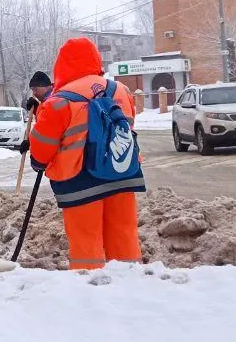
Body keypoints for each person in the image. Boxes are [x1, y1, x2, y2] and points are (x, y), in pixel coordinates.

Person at [28, 38, 145, 270]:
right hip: (122, 172)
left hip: (80, 182)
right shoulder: (120, 91)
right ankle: (131, 284)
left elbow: (42, 145)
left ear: (61, 65)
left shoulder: (59, 101)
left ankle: (88, 287)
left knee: (86, 242)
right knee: (124, 235)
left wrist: (37, 162)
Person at [17, 71, 53, 153]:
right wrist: (37, 108)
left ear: (47, 87)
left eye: (36, 89)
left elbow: (47, 131)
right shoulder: (47, 101)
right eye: (32, 90)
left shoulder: (52, 103)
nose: (34, 93)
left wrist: (30, 142)